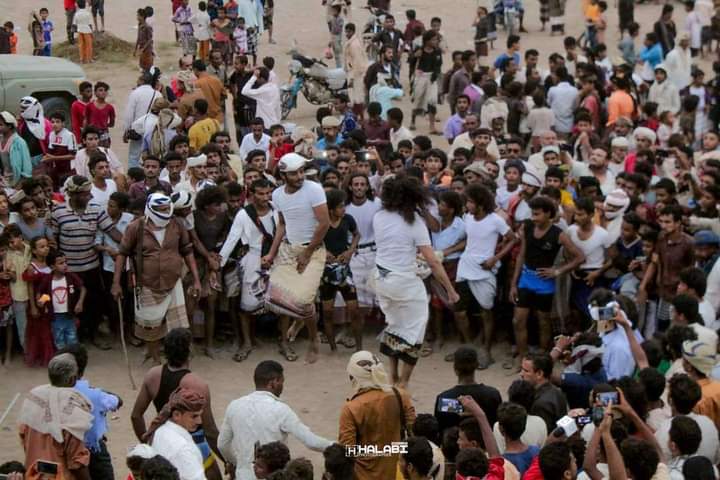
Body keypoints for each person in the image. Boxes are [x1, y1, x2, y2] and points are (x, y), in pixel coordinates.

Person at [372, 175, 459, 388]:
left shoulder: (379, 217)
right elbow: (433, 262)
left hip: (381, 280)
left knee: (394, 325)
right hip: (404, 283)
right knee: (415, 332)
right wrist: (450, 290)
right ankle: (403, 382)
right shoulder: (415, 223)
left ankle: (392, 375)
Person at [112, 193, 200, 364]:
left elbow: (187, 251)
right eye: (160, 209)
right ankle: (156, 360)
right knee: (151, 326)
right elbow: (122, 254)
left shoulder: (177, 225)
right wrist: (116, 283)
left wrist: (196, 279)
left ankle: (177, 359)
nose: (165, 212)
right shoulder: (135, 227)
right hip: (146, 284)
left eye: (167, 208)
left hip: (173, 281)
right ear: (150, 209)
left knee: (178, 327)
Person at [131, 328, 223, 480]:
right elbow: (210, 431)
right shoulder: (197, 384)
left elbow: (136, 415)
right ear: (189, 351)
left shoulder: (152, 375)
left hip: (161, 437)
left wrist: (147, 444)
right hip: (194, 442)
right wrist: (227, 459)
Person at [264, 153, 330, 364]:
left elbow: (324, 224)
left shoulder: (314, 190)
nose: (300, 176)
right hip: (289, 250)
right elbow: (282, 225)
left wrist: (307, 253)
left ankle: (313, 339)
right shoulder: (277, 195)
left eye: (302, 171)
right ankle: (302, 319)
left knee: (303, 301)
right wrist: (272, 254)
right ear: (283, 175)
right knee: (273, 297)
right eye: (294, 173)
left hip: (314, 251)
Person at [218, 360, 333, 480]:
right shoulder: (281, 410)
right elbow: (312, 442)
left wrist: (239, 464)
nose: (282, 387)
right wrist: (351, 450)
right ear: (274, 382)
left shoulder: (234, 406)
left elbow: (222, 445)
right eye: (282, 382)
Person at [50, 175, 121, 350]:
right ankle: (77, 338)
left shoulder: (96, 209)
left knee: (94, 303)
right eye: (84, 194)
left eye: (89, 193)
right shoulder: (58, 212)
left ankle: (94, 334)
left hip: (91, 267)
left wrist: (127, 244)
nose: (89, 197)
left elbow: (112, 231)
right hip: (70, 270)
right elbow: (54, 241)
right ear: (73, 194)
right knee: (72, 305)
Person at [219, 178, 277, 361]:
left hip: (276, 259)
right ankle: (246, 342)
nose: (265, 197)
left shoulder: (277, 210)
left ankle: (285, 341)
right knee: (246, 306)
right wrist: (219, 263)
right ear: (251, 194)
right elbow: (232, 239)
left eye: (268, 193)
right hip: (252, 259)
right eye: (261, 193)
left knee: (282, 303)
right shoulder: (244, 214)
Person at [339, 351, 415, 480]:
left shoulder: (351, 408)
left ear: (353, 378)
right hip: (397, 471)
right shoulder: (401, 396)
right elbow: (414, 434)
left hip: (363, 475)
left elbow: (347, 451)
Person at [18, 353, 93, 479]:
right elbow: (77, 462)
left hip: (33, 473)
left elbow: (23, 435)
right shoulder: (74, 408)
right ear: (72, 379)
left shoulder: (33, 398)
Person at [59, 344, 122, 480]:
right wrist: (97, 391)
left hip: (65, 449)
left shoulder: (55, 392)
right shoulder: (95, 395)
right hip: (94, 450)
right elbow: (118, 401)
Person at [435, 346, 502, 434]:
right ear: (477, 365)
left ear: (455, 369)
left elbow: (439, 431)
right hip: (487, 445)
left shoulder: (445, 400)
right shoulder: (493, 395)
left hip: (454, 446)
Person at [145, 388, 207, 480]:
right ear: (176, 415)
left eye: (200, 415)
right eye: (194, 416)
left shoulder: (160, 430)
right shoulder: (184, 449)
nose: (199, 421)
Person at [520, 353, 568, 432]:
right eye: (521, 369)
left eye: (526, 371)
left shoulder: (540, 404)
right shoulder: (557, 391)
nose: (521, 374)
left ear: (539, 374)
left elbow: (542, 433)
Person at [0, 111, 32, 188]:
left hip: (16, 183)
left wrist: (18, 186)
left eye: (0, 125)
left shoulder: (19, 142)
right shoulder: (0, 139)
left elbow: (27, 169)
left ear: (9, 126)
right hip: (3, 181)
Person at [343, 23, 369, 119]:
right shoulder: (353, 42)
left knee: (356, 97)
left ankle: (360, 118)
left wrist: (352, 78)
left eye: (348, 31)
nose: (347, 34)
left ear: (353, 31)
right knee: (356, 97)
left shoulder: (354, 45)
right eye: (346, 31)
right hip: (353, 71)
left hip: (356, 73)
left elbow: (357, 62)